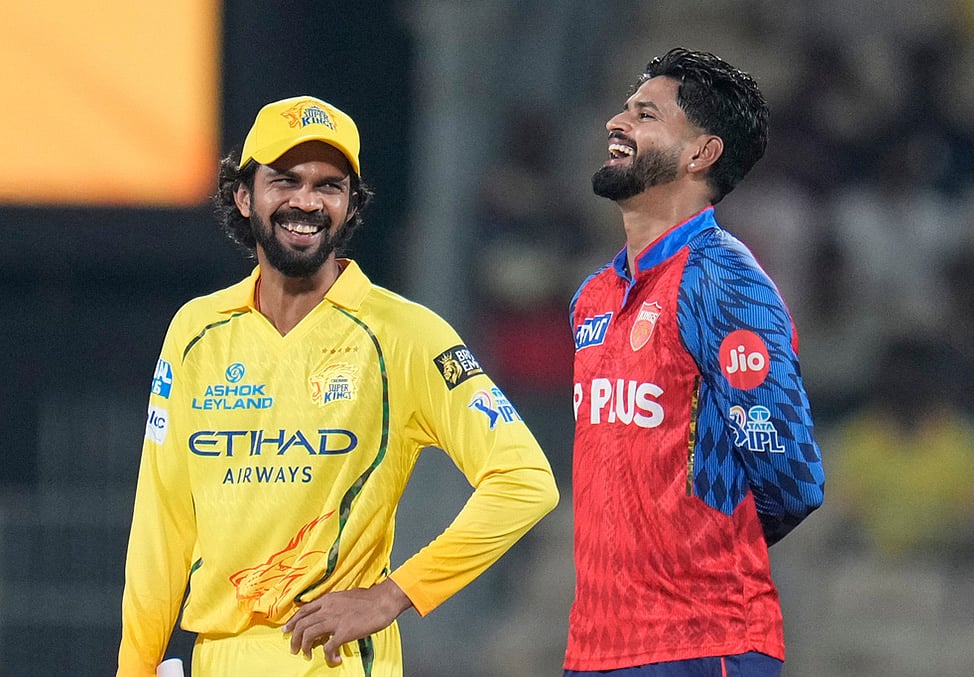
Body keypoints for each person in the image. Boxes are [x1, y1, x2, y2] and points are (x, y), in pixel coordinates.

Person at [118, 95, 559, 676]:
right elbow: (162, 522)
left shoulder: (404, 334)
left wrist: (393, 595)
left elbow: (526, 482)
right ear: (244, 196)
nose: (306, 201)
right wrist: (135, 666)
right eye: (285, 180)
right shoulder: (197, 331)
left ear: (351, 207)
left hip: (333, 660)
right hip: (216, 659)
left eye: (329, 185)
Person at [564, 49, 825, 676]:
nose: (615, 123)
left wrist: (692, 551)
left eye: (645, 114)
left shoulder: (725, 284)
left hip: (701, 646)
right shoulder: (592, 297)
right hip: (594, 648)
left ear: (700, 154)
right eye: (624, 108)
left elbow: (793, 481)